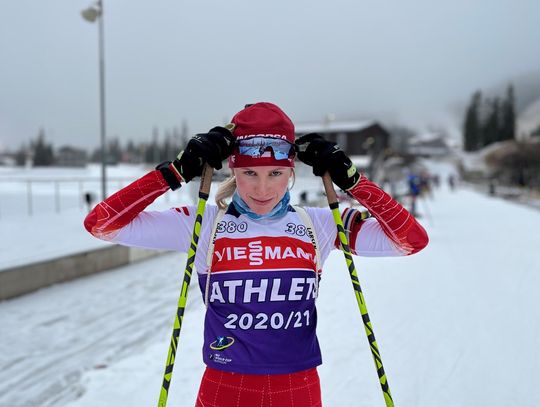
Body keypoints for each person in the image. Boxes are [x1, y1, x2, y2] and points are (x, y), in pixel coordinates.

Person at [84, 102, 428, 407]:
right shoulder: (204, 224)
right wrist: (173, 173)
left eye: (275, 173)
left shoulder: (318, 224)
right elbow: (102, 224)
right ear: (233, 170)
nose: (262, 188)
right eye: (249, 173)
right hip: (225, 389)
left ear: (291, 172)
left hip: (298, 389)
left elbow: (410, 240)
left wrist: (354, 183)